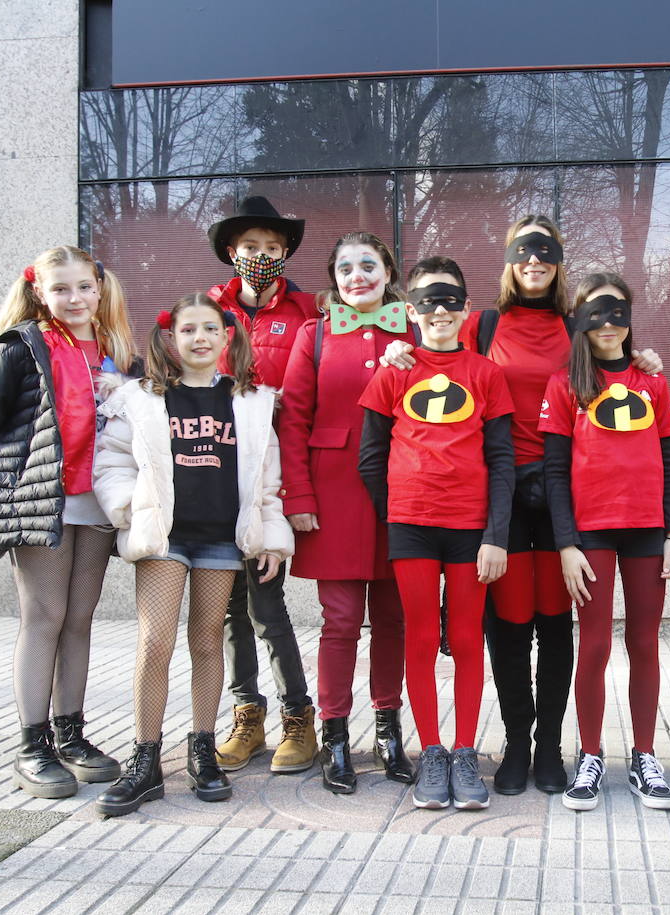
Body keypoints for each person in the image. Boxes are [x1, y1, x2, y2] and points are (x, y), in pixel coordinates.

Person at [380, 216, 662, 796]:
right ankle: (514, 743)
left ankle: (550, 748)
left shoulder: (574, 323)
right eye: (523, 250)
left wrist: (648, 360)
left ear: (559, 261)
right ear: (509, 259)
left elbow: (617, 359)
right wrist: (394, 358)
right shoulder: (482, 324)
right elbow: (433, 353)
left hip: (563, 496)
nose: (535, 261)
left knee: (555, 626)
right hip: (501, 495)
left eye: (546, 251)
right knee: (508, 626)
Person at [92, 294, 292, 816]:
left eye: (209, 328)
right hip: (166, 538)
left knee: (207, 642)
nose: (199, 338)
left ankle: (203, 747)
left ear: (227, 336)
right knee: (155, 642)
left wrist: (271, 537)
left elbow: (266, 482)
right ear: (170, 338)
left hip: (222, 539)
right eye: (187, 330)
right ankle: (145, 758)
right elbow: (111, 462)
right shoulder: (144, 398)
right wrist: (128, 511)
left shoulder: (250, 401)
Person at [0, 246, 136, 799]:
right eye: (61, 289)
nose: (75, 298)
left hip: (98, 502)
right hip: (45, 501)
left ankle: (72, 736)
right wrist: (10, 494)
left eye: (84, 287)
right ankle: (32, 746)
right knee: (45, 617)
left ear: (99, 288)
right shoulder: (19, 346)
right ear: (40, 291)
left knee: (80, 617)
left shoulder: (118, 349)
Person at [359, 257, 515, 810]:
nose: (440, 310)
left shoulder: (486, 374)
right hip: (413, 530)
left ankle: (466, 751)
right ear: (411, 310)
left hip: (472, 530)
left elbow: (502, 459)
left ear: (466, 308)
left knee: (469, 640)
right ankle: (431, 752)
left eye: (450, 299)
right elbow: (370, 455)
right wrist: (397, 509)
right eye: (428, 300)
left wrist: (497, 535)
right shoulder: (393, 371)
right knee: (421, 640)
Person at [277, 231, 416, 793]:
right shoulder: (314, 334)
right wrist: (299, 498)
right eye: (344, 268)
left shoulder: (413, 326)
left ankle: (388, 732)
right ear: (333, 279)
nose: (356, 276)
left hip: (404, 490)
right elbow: (293, 420)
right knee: (339, 623)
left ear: (387, 271)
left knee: (394, 618)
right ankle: (334, 735)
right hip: (332, 494)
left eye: (367, 265)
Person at [539, 272, 670, 811]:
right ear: (579, 319)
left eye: (617, 310)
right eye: (595, 312)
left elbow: (669, 461)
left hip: (647, 528)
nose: (607, 323)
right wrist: (567, 543)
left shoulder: (654, 383)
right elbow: (554, 471)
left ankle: (645, 756)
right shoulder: (565, 385)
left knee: (644, 642)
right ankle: (591, 755)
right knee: (595, 644)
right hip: (590, 533)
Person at [205, 196, 318, 776]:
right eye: (251, 247)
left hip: (273, 474)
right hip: (215, 471)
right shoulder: (204, 312)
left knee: (266, 603)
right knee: (228, 608)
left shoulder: (309, 312)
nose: (262, 256)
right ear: (232, 251)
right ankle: (247, 715)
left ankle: (299, 717)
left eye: (273, 248)